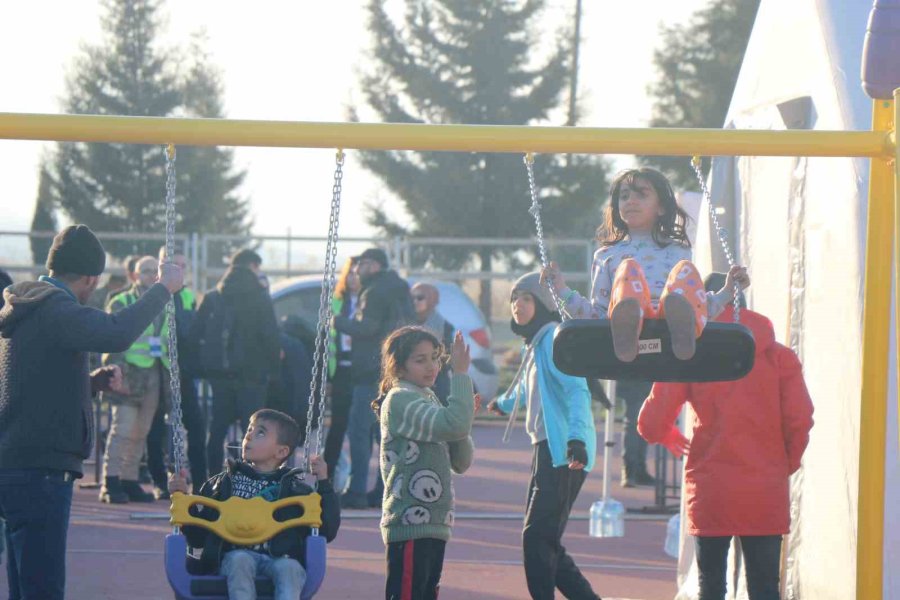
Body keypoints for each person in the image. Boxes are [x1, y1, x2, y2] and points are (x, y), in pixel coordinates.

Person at [0, 224, 182, 600]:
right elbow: (116, 332)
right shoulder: (56, 307)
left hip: (17, 461)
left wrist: (91, 382)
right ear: (88, 277)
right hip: (42, 470)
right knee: (42, 587)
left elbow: (35, 380)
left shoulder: (26, 306)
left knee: (23, 581)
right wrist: (163, 289)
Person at [638, 273, 814, 600]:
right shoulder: (779, 357)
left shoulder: (690, 356)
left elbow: (650, 423)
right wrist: (783, 464)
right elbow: (800, 418)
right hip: (764, 485)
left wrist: (667, 433)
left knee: (711, 585)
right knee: (764, 587)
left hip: (710, 485)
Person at [541, 167, 749, 362]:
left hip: (668, 329)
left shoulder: (679, 251)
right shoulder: (607, 255)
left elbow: (699, 306)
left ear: (660, 207)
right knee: (628, 270)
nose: (631, 200)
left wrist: (728, 291)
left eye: (641, 194)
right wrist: (560, 290)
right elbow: (597, 315)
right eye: (624, 196)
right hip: (625, 328)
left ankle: (682, 330)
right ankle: (628, 324)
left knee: (685, 273)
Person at [487, 273, 601, 600]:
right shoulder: (538, 342)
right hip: (547, 449)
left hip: (564, 452)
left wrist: (576, 440)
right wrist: (506, 404)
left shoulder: (552, 338)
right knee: (545, 540)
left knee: (536, 538)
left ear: (542, 304)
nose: (517, 306)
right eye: (514, 299)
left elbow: (576, 389)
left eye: (526, 299)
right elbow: (529, 385)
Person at [168, 409, 340, 599]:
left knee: (290, 568)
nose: (248, 435)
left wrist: (323, 483)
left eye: (260, 432)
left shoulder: (295, 491)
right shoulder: (221, 484)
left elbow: (327, 530)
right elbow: (198, 535)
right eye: (249, 429)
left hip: (279, 557)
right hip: (232, 556)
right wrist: (182, 498)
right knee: (240, 559)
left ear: (281, 451)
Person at [374, 326, 475, 600]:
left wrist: (461, 418)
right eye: (420, 360)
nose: (431, 366)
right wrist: (461, 378)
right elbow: (454, 424)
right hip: (408, 521)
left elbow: (462, 461)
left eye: (434, 357)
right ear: (399, 367)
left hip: (435, 522)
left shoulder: (426, 396)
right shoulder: (401, 399)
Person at [332, 248, 413, 509]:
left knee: (359, 431)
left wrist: (338, 322)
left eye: (363, 264)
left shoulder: (375, 291)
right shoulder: (398, 288)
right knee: (386, 434)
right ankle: (384, 490)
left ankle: (356, 491)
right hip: (394, 371)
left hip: (370, 372)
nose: (357, 270)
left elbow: (368, 327)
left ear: (376, 265)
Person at [193, 248, 281, 474]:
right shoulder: (259, 297)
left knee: (217, 430)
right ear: (252, 266)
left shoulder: (213, 296)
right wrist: (274, 369)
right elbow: (270, 336)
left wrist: (204, 367)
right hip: (252, 375)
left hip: (219, 375)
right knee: (253, 431)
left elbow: (196, 333)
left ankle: (209, 480)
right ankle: (251, 480)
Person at [98, 255, 172, 504]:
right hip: (128, 376)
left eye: (155, 271)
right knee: (122, 430)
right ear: (135, 275)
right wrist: (117, 374)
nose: (152, 275)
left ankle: (129, 480)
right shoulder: (122, 301)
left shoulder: (165, 304)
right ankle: (111, 482)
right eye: (147, 271)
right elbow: (112, 339)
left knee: (141, 432)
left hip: (154, 375)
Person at [145, 246, 206, 500]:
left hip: (183, 372)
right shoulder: (153, 296)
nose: (178, 270)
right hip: (157, 371)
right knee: (156, 428)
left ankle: (202, 483)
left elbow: (192, 332)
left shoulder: (189, 296)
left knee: (197, 425)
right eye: (173, 265)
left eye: (182, 266)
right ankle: (160, 481)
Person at [322, 257, 360, 480]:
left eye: (358, 273)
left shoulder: (369, 301)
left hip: (361, 371)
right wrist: (327, 376)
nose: (354, 277)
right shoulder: (337, 302)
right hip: (341, 372)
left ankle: (358, 480)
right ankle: (325, 479)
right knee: (337, 426)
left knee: (361, 429)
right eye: (351, 273)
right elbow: (327, 342)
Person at [410, 282, 456, 403]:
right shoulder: (403, 323)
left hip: (436, 382)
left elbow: (448, 358)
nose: (415, 301)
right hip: (410, 382)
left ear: (431, 300)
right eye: (412, 298)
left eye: (420, 297)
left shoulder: (444, 326)